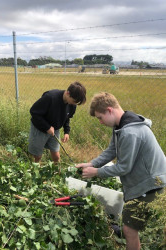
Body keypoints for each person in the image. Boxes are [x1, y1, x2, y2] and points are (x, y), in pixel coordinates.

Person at [76, 92, 166, 250]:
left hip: (151, 184)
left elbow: (124, 167)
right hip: (145, 181)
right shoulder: (121, 125)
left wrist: (95, 172)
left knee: (129, 230)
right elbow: (111, 151)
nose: (100, 122)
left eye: (100, 117)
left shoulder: (130, 132)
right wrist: (91, 164)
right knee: (134, 227)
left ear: (109, 110)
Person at [28, 81, 86, 164]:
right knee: (37, 156)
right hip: (39, 128)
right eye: (74, 101)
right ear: (67, 93)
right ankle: (35, 172)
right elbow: (34, 112)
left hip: (55, 129)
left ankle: (57, 172)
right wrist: (47, 127)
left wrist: (67, 132)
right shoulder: (50, 97)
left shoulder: (72, 104)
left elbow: (67, 117)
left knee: (56, 155)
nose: (74, 104)